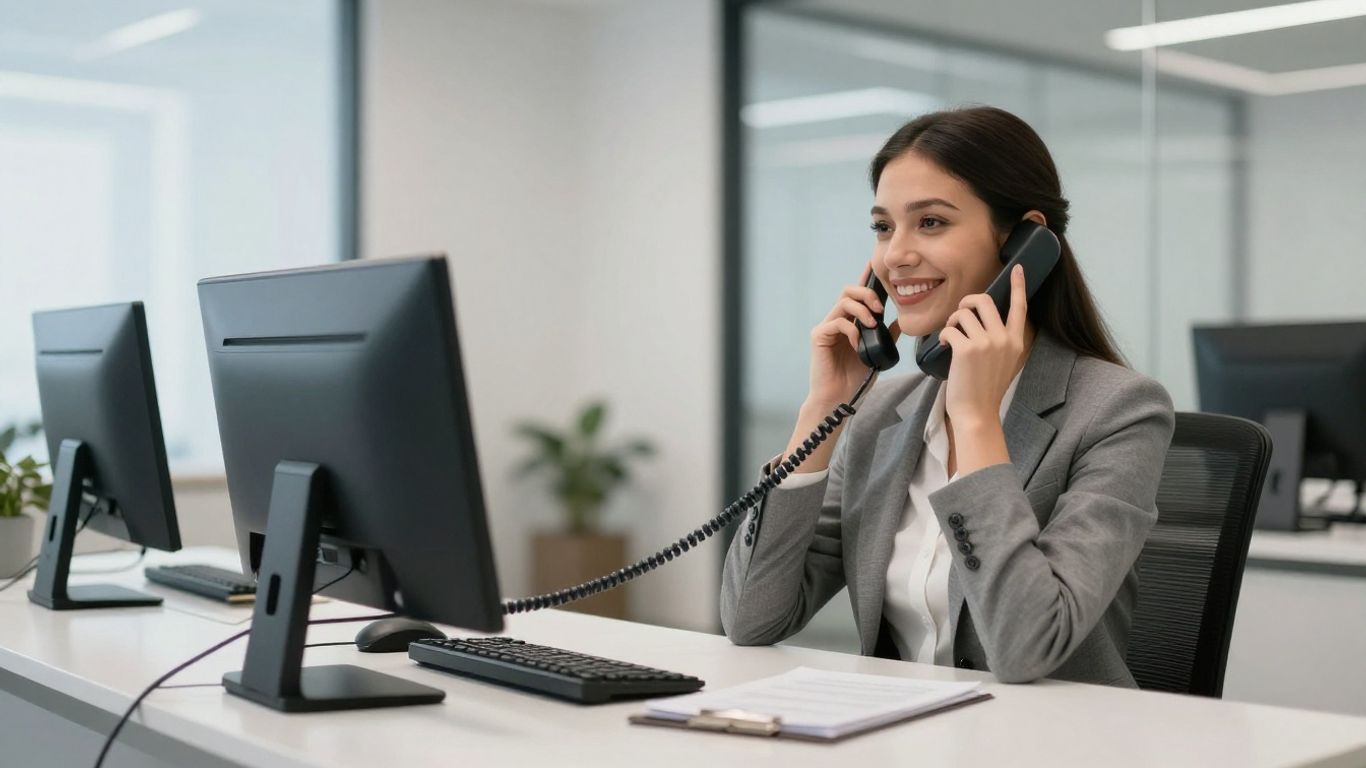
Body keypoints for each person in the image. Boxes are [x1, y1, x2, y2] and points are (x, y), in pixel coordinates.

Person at [720, 106, 1175, 687]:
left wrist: (976, 420)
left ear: (1024, 241)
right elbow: (751, 618)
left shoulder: (1120, 411)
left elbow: (1026, 648)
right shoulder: (884, 414)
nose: (896, 256)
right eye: (884, 227)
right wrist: (822, 413)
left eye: (930, 222)